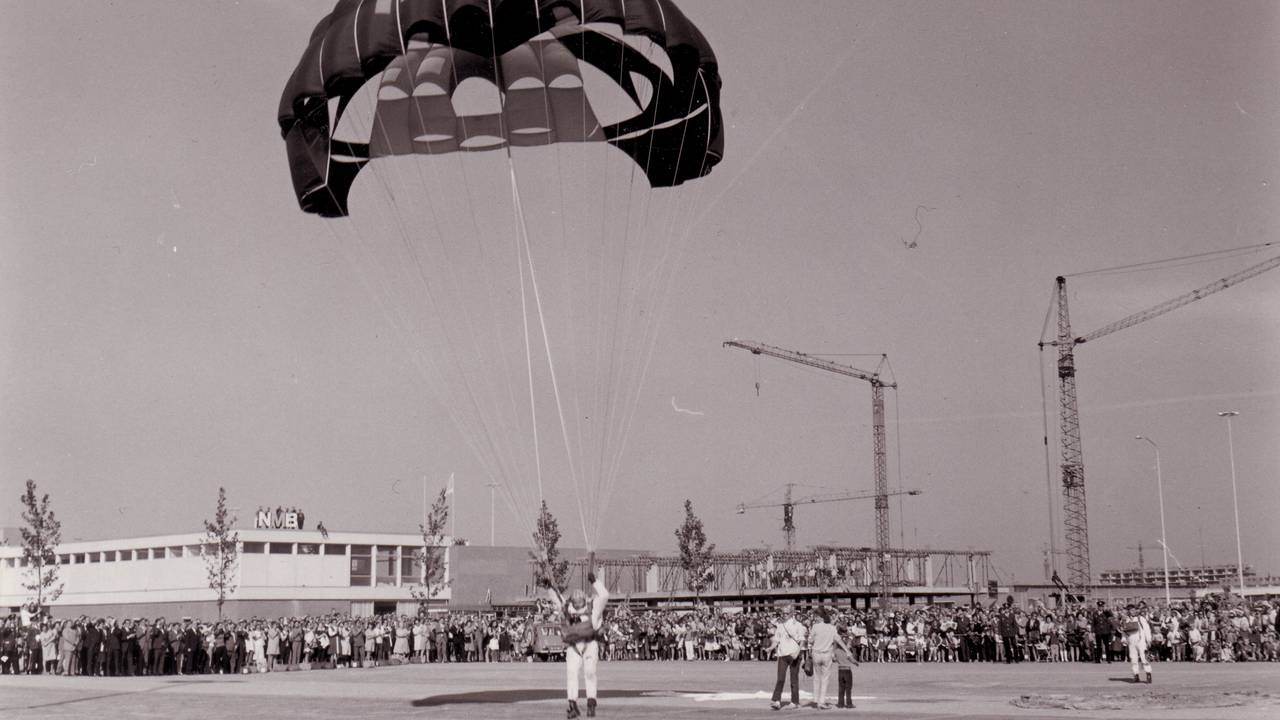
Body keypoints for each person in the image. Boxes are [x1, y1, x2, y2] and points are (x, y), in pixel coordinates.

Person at [544, 568, 610, 719]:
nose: (578, 606)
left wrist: (595, 581)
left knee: (590, 673)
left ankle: (591, 703)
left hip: (589, 644)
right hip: (574, 646)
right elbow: (557, 598)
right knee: (572, 674)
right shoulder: (567, 607)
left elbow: (605, 595)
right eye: (576, 603)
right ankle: (572, 705)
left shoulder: (594, 607)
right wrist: (549, 586)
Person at [807, 607, 854, 709]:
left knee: (817, 677)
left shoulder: (815, 627)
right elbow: (839, 641)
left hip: (816, 654)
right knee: (825, 679)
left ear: (820, 617)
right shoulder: (832, 628)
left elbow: (810, 641)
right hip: (827, 655)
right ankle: (821, 702)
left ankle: (816, 699)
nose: (815, 618)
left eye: (816, 616)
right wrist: (848, 651)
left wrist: (814, 639)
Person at [766, 603, 806, 711]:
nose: (784, 615)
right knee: (780, 678)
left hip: (794, 655)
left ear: (792, 613)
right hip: (782, 654)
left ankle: (794, 701)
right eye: (783, 613)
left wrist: (797, 652)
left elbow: (802, 640)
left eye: (787, 613)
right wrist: (770, 648)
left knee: (794, 679)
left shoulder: (798, 625)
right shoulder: (780, 626)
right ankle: (777, 701)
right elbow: (776, 640)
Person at [1122, 604, 1153, 684]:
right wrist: (1124, 639)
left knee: (1144, 658)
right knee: (1133, 659)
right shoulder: (1125, 620)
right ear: (1128, 611)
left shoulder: (1140, 619)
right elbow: (1123, 631)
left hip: (1141, 641)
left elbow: (1146, 629)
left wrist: (1148, 639)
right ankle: (1136, 674)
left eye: (1134, 610)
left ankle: (1148, 673)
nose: (1133, 611)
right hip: (1131, 641)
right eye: (1131, 610)